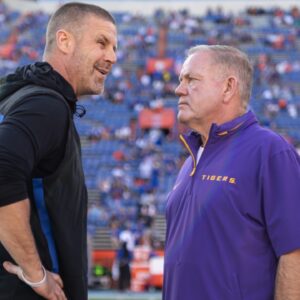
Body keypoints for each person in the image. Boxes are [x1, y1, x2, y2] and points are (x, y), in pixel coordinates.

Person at [163, 45, 300, 300]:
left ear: (228, 87)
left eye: (191, 79)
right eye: (181, 80)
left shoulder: (270, 152)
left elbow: (295, 254)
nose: (179, 89)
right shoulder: (191, 160)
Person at [0, 2, 117, 300]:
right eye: (101, 43)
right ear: (64, 40)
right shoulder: (46, 105)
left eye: (115, 48)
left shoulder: (18, 95)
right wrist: (35, 272)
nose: (112, 58)